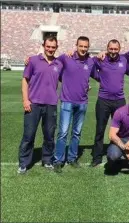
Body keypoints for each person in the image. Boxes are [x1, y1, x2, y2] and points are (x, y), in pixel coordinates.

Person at [53, 36, 99, 173]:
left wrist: (86, 85)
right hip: (67, 101)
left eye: (86, 46)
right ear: (76, 45)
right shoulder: (65, 57)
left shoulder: (90, 62)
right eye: (81, 46)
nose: (83, 49)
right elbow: (52, 64)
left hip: (82, 103)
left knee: (77, 133)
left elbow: (97, 76)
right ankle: (58, 160)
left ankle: (72, 158)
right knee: (63, 132)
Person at [18, 36, 63, 174]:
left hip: (51, 105)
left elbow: (69, 78)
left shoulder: (59, 64)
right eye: (48, 46)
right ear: (43, 45)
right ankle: (24, 163)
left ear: (56, 47)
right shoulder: (33, 60)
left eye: (53, 47)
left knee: (49, 134)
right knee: (29, 134)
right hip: (33, 104)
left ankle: (47, 160)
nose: (50, 49)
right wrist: (25, 100)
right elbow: (25, 80)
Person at [90, 39, 129, 167]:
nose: (113, 51)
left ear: (119, 49)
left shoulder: (124, 60)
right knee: (100, 130)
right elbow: (88, 66)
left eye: (115, 49)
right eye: (110, 49)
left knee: (121, 131)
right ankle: (97, 157)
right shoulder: (100, 59)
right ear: (107, 49)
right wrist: (99, 78)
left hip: (119, 101)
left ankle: (122, 154)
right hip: (103, 100)